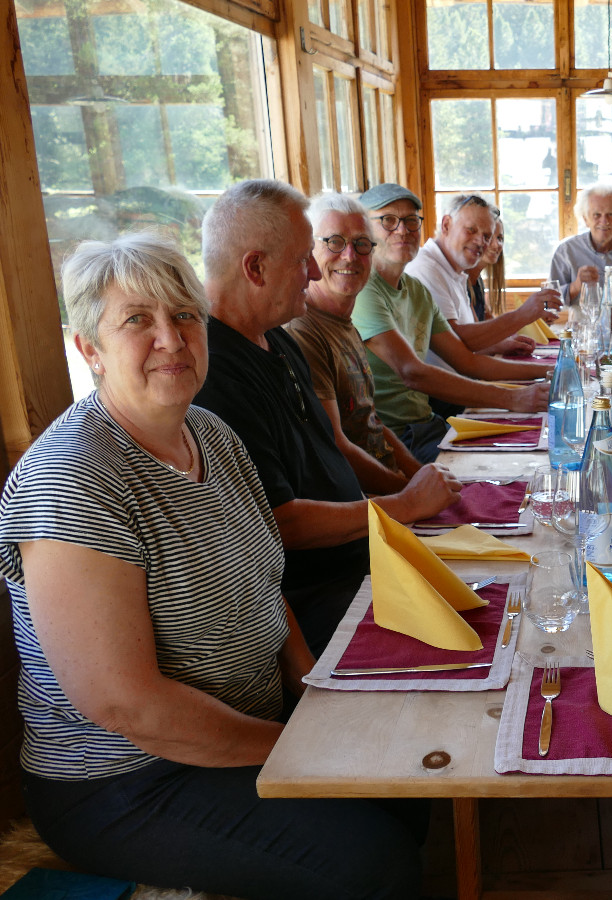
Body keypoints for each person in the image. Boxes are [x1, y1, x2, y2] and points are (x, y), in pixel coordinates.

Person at [0, 233, 428, 900]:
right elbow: (127, 705)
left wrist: (313, 684)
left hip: (246, 722)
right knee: (374, 862)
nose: (171, 339)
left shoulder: (211, 434)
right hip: (129, 779)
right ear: (89, 349)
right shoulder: (73, 481)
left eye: (185, 316)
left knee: (410, 788)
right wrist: (297, 746)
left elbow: (263, 581)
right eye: (137, 320)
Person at [195, 179, 461, 655]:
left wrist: (405, 501)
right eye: (305, 258)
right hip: (319, 602)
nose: (314, 272)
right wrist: (402, 507)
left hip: (365, 560)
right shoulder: (213, 374)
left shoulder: (278, 341)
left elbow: (333, 453)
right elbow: (279, 522)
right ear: (255, 267)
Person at [354, 183, 554, 462]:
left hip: (428, 423)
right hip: (397, 438)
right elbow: (413, 372)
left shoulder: (415, 289)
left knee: (532, 452)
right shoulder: (364, 290)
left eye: (411, 221)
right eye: (388, 220)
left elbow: (466, 361)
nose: (402, 230)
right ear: (364, 230)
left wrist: (550, 372)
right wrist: (512, 399)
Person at [284, 192, 425, 490]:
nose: (350, 256)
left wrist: (420, 473)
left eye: (361, 244)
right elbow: (335, 446)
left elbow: (369, 420)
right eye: (334, 242)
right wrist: (409, 493)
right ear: (309, 252)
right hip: (362, 504)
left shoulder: (346, 324)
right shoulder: (303, 329)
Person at [405, 192, 560, 361]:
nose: (480, 242)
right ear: (446, 225)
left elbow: (463, 347)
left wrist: (500, 345)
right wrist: (522, 315)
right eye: (471, 230)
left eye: (486, 236)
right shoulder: (426, 268)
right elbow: (455, 341)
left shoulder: (456, 271)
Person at [549, 182, 612, 302]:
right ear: (585, 219)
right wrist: (576, 286)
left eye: (610, 214)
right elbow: (549, 300)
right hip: (580, 321)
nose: (604, 221)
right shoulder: (566, 250)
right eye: (597, 215)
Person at [466, 212, 505, 323]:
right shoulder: (462, 281)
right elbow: (477, 332)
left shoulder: (478, 280)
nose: (496, 245)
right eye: (489, 237)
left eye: (499, 238)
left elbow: (490, 323)